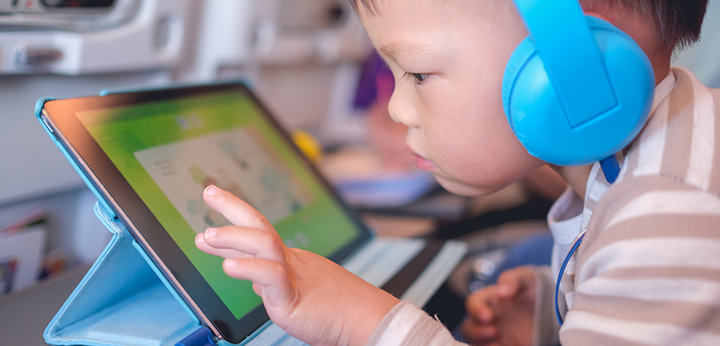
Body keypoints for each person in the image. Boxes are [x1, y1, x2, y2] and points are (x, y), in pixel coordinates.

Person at [194, 0, 719, 345]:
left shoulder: (664, 218)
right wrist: (561, 309)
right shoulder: (656, 160)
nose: (398, 108)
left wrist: (364, 322)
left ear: (574, 55)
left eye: (418, 73)